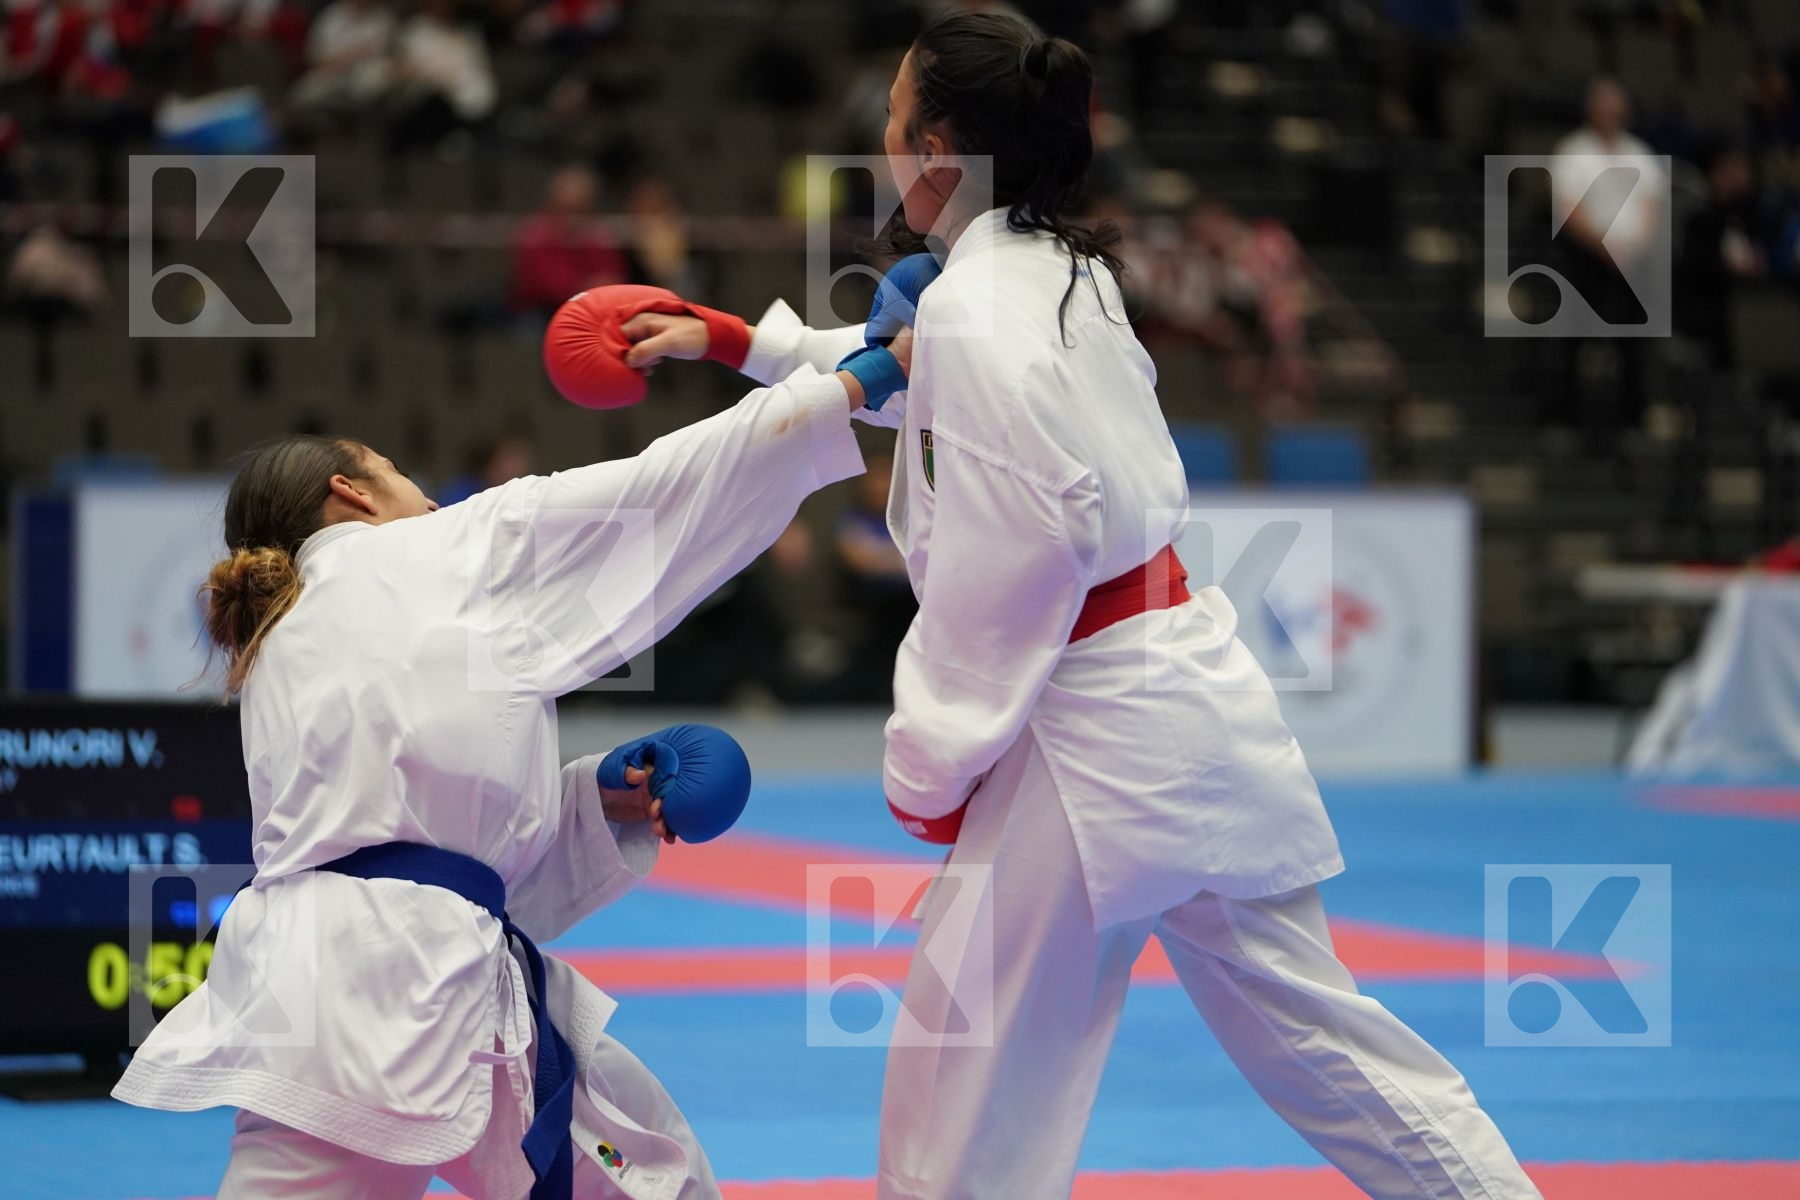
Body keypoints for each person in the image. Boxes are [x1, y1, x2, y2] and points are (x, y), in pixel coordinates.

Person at [627, 12, 1543, 1199]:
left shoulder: (974, 307)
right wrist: (738, 341)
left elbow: (1026, 541)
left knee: (961, 1092)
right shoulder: (1062, 272)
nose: (883, 142)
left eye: (894, 121)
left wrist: (931, 758)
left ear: (937, 152)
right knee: (1336, 1050)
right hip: (1187, 691)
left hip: (1086, 727)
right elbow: (917, 373)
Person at [112, 319, 885, 1196]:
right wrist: (853, 384)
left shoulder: (279, 634)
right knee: (655, 1179)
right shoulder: (439, 550)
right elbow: (660, 489)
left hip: (301, 996)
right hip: (419, 983)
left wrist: (597, 798)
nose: (425, 493)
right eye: (395, 470)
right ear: (351, 493)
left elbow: (417, 829)